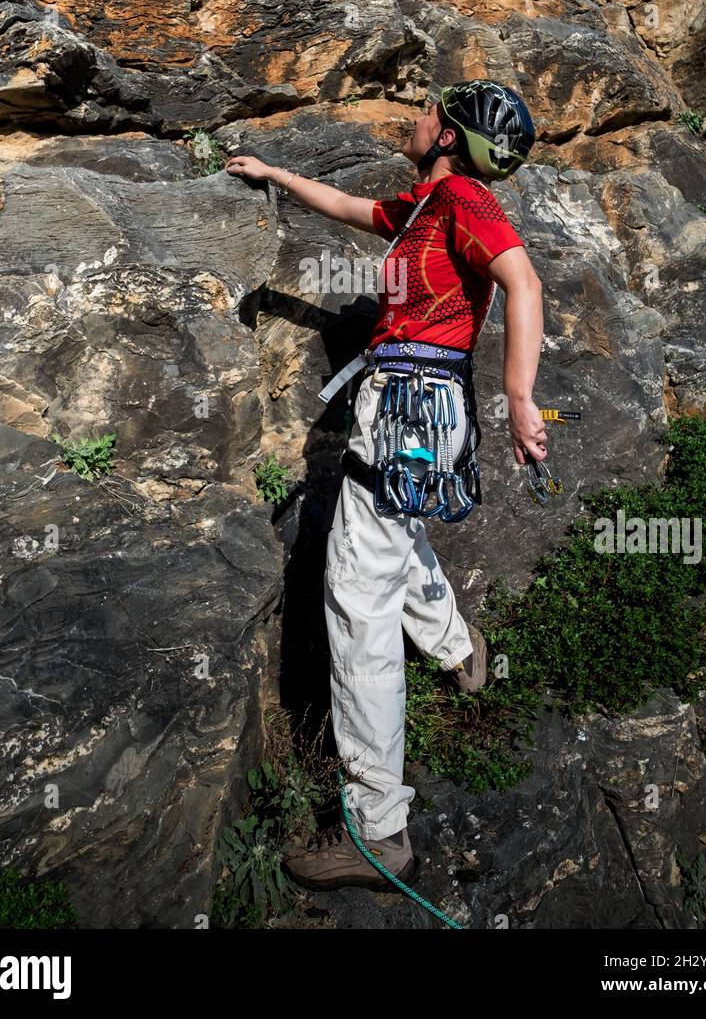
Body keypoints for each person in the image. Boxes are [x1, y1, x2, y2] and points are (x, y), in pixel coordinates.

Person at [224, 80, 546, 891]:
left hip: (412, 403)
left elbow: (523, 283)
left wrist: (518, 397)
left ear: (449, 137)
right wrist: (274, 174)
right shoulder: (422, 209)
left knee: (357, 600)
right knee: (390, 533)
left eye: (432, 110)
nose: (417, 115)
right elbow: (344, 206)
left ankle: (379, 833)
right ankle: (457, 646)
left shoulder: (465, 199)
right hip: (411, 403)